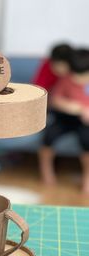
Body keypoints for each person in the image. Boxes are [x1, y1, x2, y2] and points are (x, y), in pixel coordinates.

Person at [39, 49, 89, 194]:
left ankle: (87, 178)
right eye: (75, 75)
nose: (79, 80)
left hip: (84, 122)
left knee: (87, 141)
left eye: (83, 76)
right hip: (65, 118)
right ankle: (46, 172)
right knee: (48, 136)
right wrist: (74, 108)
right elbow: (56, 100)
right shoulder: (66, 79)